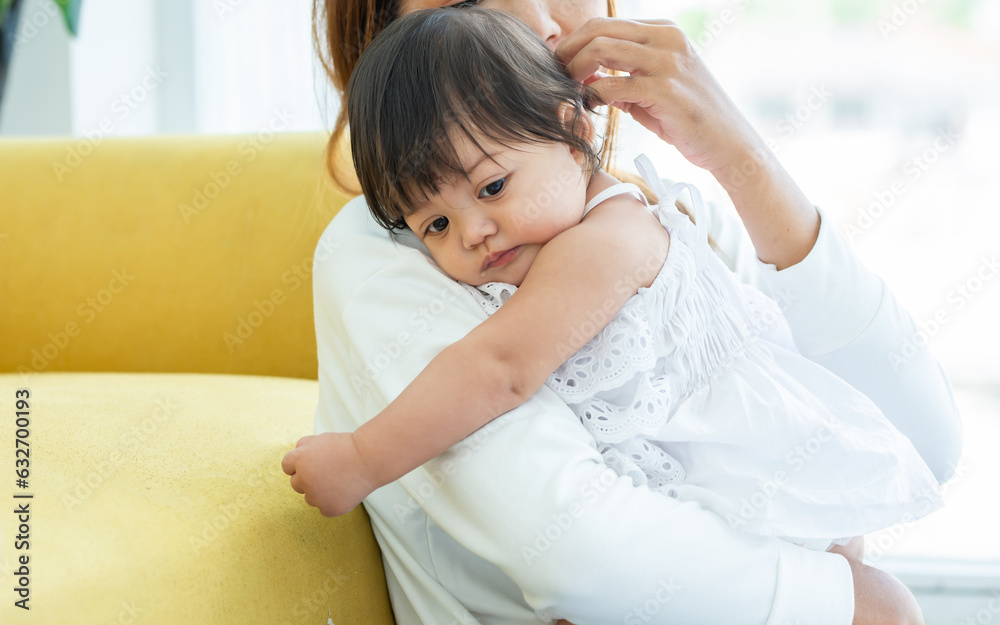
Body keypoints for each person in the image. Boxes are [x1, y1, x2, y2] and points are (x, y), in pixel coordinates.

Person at [287, 1, 964, 623]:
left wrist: (737, 151)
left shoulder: (650, 211)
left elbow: (923, 446)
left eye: (493, 185)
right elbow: (579, 555)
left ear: (570, 128)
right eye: (469, 4)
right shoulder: (381, 253)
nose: (542, 23)